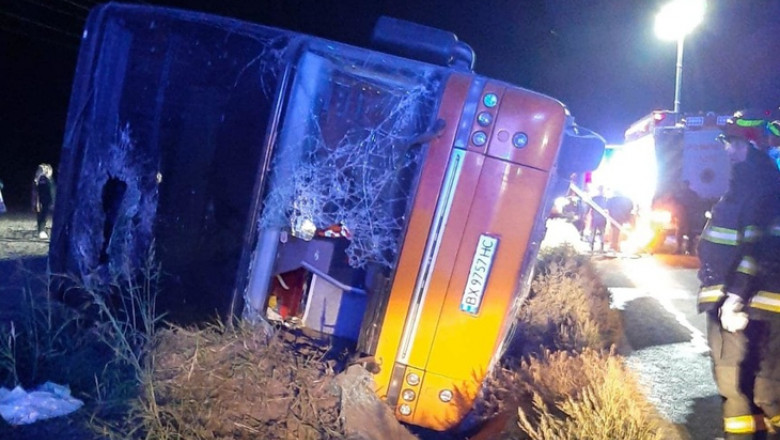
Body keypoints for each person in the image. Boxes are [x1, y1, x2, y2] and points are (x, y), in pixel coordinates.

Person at [697, 110, 780, 439]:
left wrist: (735, 298)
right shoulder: (751, 182)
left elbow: (756, 247)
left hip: (740, 301)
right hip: (737, 298)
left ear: (750, 146)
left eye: (732, 143)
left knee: (746, 389)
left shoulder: (757, 186)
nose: (727, 150)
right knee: (748, 390)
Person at [672, 180, 704, 255]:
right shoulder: (683, 194)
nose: (683, 186)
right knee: (681, 233)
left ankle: (687, 249)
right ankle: (682, 249)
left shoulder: (684, 194)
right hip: (682, 216)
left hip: (687, 216)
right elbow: (675, 205)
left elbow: (696, 205)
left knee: (689, 233)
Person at [31, 163, 55, 239]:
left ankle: (42, 230)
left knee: (43, 216)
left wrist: (52, 200)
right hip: (41, 200)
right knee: (41, 216)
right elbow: (36, 191)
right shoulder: (40, 179)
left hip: (46, 200)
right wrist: (35, 202)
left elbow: (52, 190)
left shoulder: (46, 179)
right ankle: (41, 231)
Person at [587, 185, 609, 252]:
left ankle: (592, 247)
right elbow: (607, 208)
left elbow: (589, 207)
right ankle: (601, 247)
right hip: (602, 218)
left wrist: (586, 213)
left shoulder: (594, 198)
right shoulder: (605, 199)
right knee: (602, 232)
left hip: (595, 218)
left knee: (593, 232)